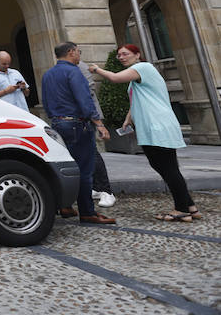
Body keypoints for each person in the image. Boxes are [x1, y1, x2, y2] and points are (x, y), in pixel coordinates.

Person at [89, 44, 200, 223]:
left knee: (168, 168)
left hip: (157, 125)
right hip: (152, 125)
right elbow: (139, 99)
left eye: (125, 54)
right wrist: (128, 118)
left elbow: (115, 78)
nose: (121, 57)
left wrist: (97, 69)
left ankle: (181, 209)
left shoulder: (142, 67)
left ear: (137, 55)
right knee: (164, 167)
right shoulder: (137, 75)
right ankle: (190, 207)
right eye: (119, 55)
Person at [41, 42, 115, 224]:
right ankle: (88, 212)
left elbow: (46, 101)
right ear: (71, 52)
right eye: (78, 52)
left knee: (63, 167)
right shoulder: (74, 71)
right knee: (84, 170)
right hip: (76, 124)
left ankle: (64, 206)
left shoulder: (48, 74)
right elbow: (84, 100)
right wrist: (99, 124)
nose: (79, 55)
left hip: (57, 123)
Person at [78, 60, 117, 208]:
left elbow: (88, 93)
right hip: (78, 118)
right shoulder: (67, 66)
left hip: (87, 117)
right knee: (85, 154)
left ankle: (106, 190)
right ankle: (96, 187)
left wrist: (97, 122)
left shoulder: (79, 66)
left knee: (92, 152)